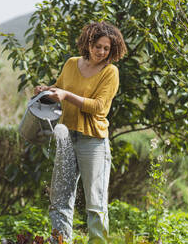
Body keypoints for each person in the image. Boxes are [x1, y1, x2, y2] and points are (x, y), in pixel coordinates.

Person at [34, 21, 127, 243]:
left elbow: (99, 106)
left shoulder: (110, 72)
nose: (101, 52)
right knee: (59, 199)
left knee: (96, 202)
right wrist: (44, 90)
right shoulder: (71, 64)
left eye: (106, 48)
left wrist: (66, 95)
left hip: (92, 142)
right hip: (66, 138)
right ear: (89, 43)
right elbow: (59, 90)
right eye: (98, 46)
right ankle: (60, 240)